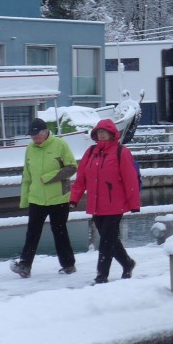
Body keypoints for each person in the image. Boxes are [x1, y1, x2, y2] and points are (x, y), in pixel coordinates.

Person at [70, 118, 140, 284]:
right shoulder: (91, 152)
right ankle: (127, 263)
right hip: (96, 204)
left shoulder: (121, 152)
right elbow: (82, 178)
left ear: (111, 134)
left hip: (115, 204)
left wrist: (134, 203)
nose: (101, 135)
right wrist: (74, 198)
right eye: (99, 132)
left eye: (104, 132)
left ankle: (102, 275)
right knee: (110, 239)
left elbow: (130, 179)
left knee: (106, 241)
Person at [10, 118, 78, 278]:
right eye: (32, 136)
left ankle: (68, 265)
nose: (34, 138)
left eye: (36, 135)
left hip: (59, 198)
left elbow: (71, 167)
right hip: (37, 199)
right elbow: (27, 175)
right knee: (32, 233)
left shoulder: (60, 145)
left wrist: (48, 177)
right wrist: (25, 198)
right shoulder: (30, 149)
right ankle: (25, 266)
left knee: (59, 232)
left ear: (45, 132)